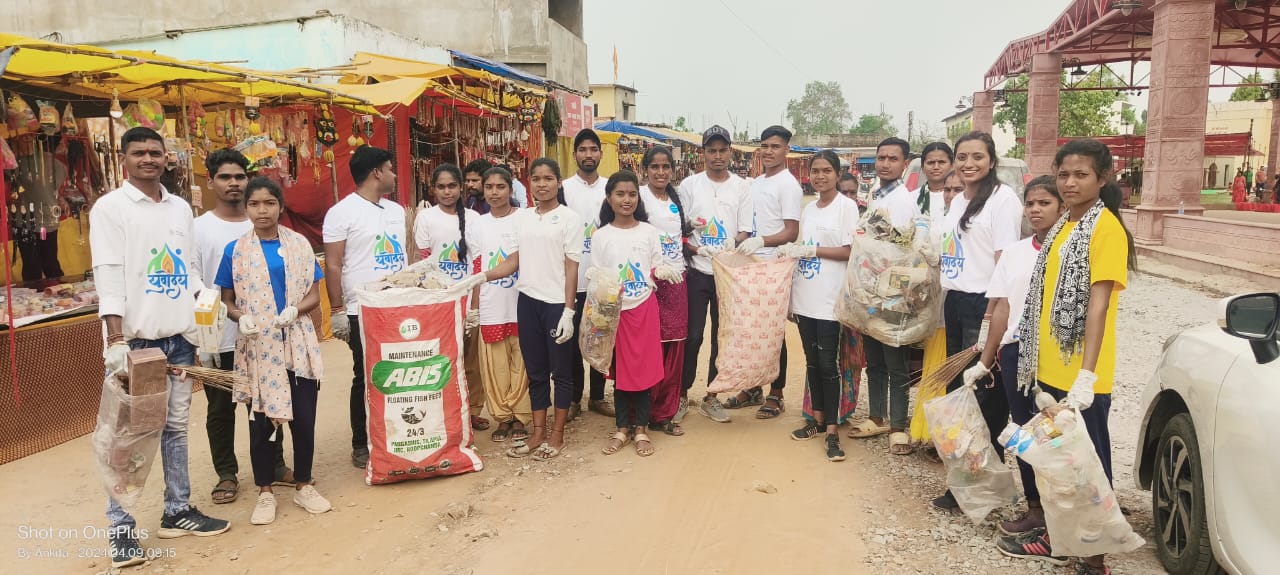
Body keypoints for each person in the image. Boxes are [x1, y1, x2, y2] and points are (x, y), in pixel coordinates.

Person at [91, 127, 230, 568]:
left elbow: (186, 267)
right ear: (124, 157)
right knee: (131, 436)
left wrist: (203, 304)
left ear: (167, 156)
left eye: (155, 151)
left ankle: (178, 510)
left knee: (175, 428)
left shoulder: (179, 208)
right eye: (139, 152)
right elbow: (109, 277)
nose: (148, 158)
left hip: (180, 341)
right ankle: (121, 528)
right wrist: (116, 340)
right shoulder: (110, 209)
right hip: (137, 345)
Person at [997, 140, 1134, 575]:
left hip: (1081, 375)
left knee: (1088, 465)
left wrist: (1087, 376)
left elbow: (1098, 303)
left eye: (1081, 175)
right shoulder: (1062, 228)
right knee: (1057, 463)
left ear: (1103, 178)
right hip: (1050, 367)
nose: (1070, 183)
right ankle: (1060, 537)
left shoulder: (1104, 228)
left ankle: (1095, 557)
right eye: (1064, 175)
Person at [215, 178, 330, 525]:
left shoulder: (299, 245)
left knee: (304, 419)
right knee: (260, 421)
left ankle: (304, 484)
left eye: (268, 203)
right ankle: (265, 491)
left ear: (280, 206)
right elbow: (227, 299)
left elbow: (313, 290)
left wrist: (297, 310)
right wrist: (241, 317)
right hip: (257, 346)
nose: (261, 211)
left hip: (296, 339)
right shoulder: (235, 250)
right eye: (254, 204)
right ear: (246, 208)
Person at [961, 176, 1065, 541]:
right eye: (1031, 203)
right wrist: (985, 360)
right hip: (1017, 353)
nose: (1036, 210)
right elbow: (1003, 309)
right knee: (1024, 436)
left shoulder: (1072, 252)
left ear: (1062, 206)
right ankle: (1035, 510)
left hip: (1058, 358)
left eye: (1045, 203)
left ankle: (1063, 516)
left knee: (1057, 438)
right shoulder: (1017, 253)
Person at [191, 149, 290, 506]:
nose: (233, 183)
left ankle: (275, 465)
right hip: (218, 335)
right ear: (211, 180)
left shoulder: (262, 221)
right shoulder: (199, 228)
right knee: (220, 409)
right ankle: (227, 473)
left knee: (267, 401)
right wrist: (203, 341)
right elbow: (198, 286)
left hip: (263, 335)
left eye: (239, 177)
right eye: (224, 177)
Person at [930, 131, 1022, 510]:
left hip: (984, 306)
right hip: (957, 302)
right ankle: (967, 480)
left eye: (977, 157)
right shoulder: (960, 200)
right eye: (962, 157)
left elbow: (1005, 261)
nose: (969, 163)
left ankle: (977, 484)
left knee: (982, 396)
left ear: (992, 159)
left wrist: (991, 319)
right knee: (959, 392)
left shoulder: (1003, 201)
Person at [483, 158, 582, 460]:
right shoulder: (522, 218)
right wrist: (482, 276)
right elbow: (514, 261)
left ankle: (557, 436)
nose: (542, 184)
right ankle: (538, 433)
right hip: (527, 302)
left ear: (558, 183)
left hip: (555, 305)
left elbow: (572, 267)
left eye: (548, 178)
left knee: (561, 373)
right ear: (528, 183)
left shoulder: (569, 218)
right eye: (536, 179)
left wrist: (568, 310)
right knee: (536, 373)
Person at [322, 145, 407, 469]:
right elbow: (333, 264)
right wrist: (338, 311)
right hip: (363, 309)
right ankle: (361, 443)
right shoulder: (342, 213)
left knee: (399, 371)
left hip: (396, 304)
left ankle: (398, 433)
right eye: (390, 168)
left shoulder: (396, 210)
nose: (394, 175)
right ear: (376, 173)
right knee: (366, 375)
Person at [776, 150, 859, 462]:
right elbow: (800, 249)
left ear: (837, 174)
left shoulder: (846, 207)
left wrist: (812, 250)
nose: (820, 176)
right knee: (812, 362)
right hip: (806, 296)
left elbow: (850, 250)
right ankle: (818, 419)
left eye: (827, 171)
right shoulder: (809, 210)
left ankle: (833, 431)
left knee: (829, 366)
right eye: (815, 171)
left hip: (829, 299)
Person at [593, 170, 676, 457]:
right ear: (609, 198)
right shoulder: (601, 235)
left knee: (644, 370)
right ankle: (622, 428)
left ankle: (641, 428)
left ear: (638, 198)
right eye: (620, 194)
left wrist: (661, 270)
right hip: (617, 312)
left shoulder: (649, 232)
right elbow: (599, 275)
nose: (626, 200)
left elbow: (655, 264)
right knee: (622, 371)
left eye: (631, 194)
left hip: (644, 307)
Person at [678, 125, 754, 423]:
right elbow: (680, 229)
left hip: (727, 273)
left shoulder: (741, 187)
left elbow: (745, 229)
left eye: (723, 150)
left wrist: (730, 247)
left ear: (730, 152)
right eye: (712, 150)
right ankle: (682, 395)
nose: (718, 156)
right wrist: (694, 241)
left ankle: (712, 395)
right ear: (703, 153)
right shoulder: (689, 185)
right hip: (697, 272)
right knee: (692, 336)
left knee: (721, 338)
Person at [724, 125, 801, 419]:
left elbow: (791, 232)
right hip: (750, 265)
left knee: (773, 332)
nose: (769, 151)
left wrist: (763, 241)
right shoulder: (755, 183)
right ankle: (753, 387)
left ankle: (776, 393)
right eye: (765, 146)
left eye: (776, 146)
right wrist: (737, 243)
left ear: (786, 150)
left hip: (773, 266)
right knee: (750, 330)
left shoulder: (789, 185)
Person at [849, 137, 917, 455]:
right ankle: (877, 416)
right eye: (881, 158)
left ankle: (899, 426)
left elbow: (905, 249)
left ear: (905, 163)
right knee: (873, 358)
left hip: (893, 290)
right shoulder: (875, 194)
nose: (885, 163)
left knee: (895, 361)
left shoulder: (906, 200)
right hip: (870, 288)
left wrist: (894, 293)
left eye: (892, 158)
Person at [412, 164, 488, 432]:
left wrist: (474, 305)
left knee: (471, 361)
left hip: (467, 300)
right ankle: (445, 412)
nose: (447, 191)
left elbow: (478, 265)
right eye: (441, 187)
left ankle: (473, 410)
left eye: (452, 186)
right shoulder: (426, 218)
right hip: (437, 302)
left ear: (460, 188)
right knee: (441, 360)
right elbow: (422, 262)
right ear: (433, 189)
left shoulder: (475, 219)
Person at [467, 167, 531, 443]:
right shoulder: (478, 224)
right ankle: (502, 418)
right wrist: (475, 307)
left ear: (511, 190)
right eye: (489, 187)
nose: (494, 192)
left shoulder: (525, 219)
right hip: (492, 304)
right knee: (495, 365)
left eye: (500, 187)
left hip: (522, 301)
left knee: (523, 361)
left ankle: (522, 416)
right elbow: (477, 266)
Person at [639, 146, 692, 435]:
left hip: (676, 278)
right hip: (649, 279)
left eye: (666, 167)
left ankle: (665, 412)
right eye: (655, 167)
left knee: (675, 344)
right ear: (645, 169)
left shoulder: (675, 197)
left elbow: (678, 236)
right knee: (649, 345)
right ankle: (641, 412)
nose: (661, 172)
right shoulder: (638, 196)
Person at [562, 129, 612, 419]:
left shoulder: (610, 188)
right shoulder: (564, 188)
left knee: (599, 340)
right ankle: (572, 400)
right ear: (575, 154)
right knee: (569, 343)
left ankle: (597, 396)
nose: (589, 154)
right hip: (572, 279)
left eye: (594, 149)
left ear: (601, 154)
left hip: (603, 280)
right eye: (583, 149)